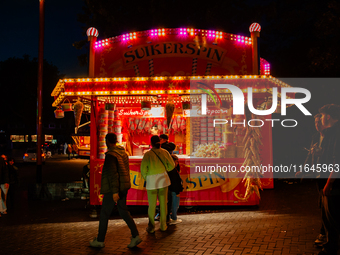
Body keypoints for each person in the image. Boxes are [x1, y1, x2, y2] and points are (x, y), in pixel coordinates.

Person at [90, 133, 142, 249]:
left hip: (113, 189)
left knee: (104, 213)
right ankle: (135, 235)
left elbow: (113, 174)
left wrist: (114, 192)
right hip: (123, 187)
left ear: (107, 141)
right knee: (123, 211)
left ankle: (100, 240)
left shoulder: (111, 155)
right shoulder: (123, 152)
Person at [296, 114, 327, 246]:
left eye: (319, 122)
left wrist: (322, 153)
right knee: (322, 204)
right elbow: (310, 154)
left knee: (326, 205)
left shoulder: (330, 137)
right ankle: (325, 232)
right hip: (318, 175)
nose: (317, 125)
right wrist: (302, 170)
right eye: (315, 123)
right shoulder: (315, 137)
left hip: (328, 174)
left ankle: (324, 233)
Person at [317, 104, 340, 255]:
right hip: (329, 182)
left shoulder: (335, 134)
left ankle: (330, 249)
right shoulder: (330, 133)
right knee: (329, 218)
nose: (320, 118)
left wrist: (328, 184)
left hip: (334, 185)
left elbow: (336, 162)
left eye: (322, 115)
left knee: (332, 219)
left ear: (329, 116)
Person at [141, 135, 175, 233]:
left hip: (151, 181)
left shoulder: (148, 154)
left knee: (151, 205)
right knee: (163, 204)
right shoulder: (164, 152)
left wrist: (147, 177)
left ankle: (151, 227)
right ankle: (163, 225)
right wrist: (165, 170)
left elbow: (143, 170)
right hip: (163, 180)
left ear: (151, 143)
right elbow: (172, 165)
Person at [167, 154, 184, 225]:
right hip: (175, 190)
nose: (177, 163)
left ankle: (172, 217)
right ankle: (174, 218)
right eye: (176, 161)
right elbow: (175, 182)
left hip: (173, 190)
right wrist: (178, 190)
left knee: (173, 204)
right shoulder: (173, 171)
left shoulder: (170, 169)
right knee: (175, 205)